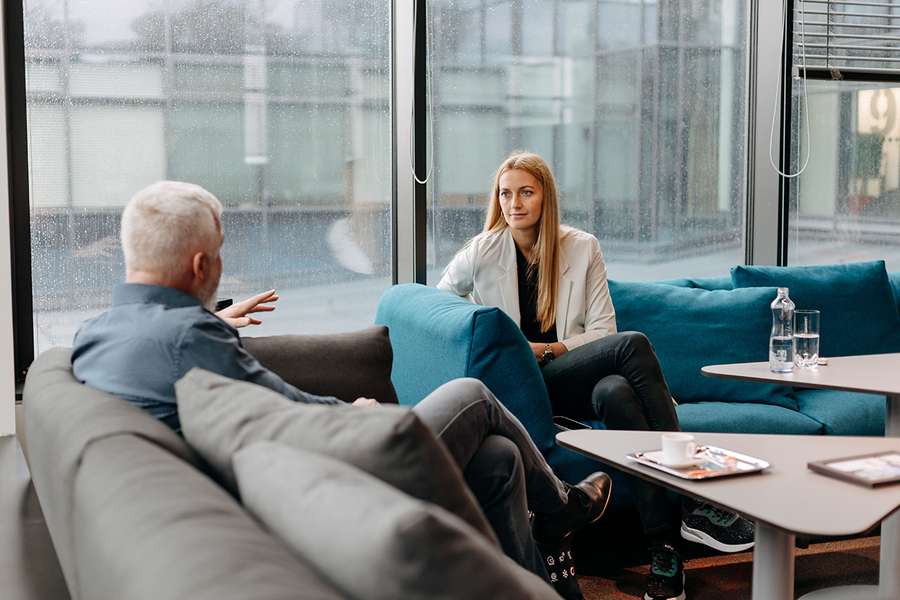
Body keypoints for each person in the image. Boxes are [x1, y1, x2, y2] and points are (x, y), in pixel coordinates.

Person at [71, 180, 612, 600]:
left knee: (497, 460)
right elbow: (285, 406)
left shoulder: (96, 335)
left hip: (289, 468)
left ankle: (535, 584)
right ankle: (562, 506)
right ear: (199, 265)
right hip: (332, 474)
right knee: (471, 393)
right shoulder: (192, 340)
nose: (220, 262)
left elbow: (229, 383)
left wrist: (216, 319)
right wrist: (353, 411)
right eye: (218, 252)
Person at [438, 152, 754, 600]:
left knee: (617, 392)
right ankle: (692, 497)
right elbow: (441, 305)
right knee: (634, 343)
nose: (514, 203)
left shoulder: (582, 247)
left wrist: (548, 348)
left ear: (546, 197)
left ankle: (664, 552)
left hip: (570, 372)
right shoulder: (482, 250)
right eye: (506, 193)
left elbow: (602, 329)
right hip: (528, 385)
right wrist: (498, 337)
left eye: (526, 192)